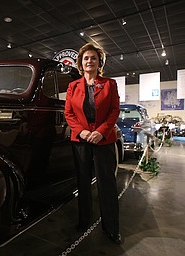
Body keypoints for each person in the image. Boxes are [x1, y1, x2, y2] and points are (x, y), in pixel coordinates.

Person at [64, 42, 121, 244]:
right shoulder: (73, 86)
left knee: (107, 185)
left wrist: (100, 132)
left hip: (103, 141)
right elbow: (69, 113)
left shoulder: (109, 84)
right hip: (81, 141)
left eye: (93, 58)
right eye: (86, 58)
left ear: (99, 62)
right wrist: (83, 132)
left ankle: (111, 227)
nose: (90, 61)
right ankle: (84, 220)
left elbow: (114, 111)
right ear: (81, 62)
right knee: (83, 183)